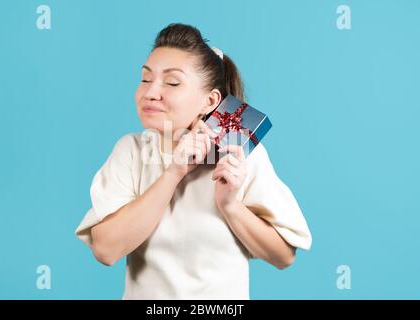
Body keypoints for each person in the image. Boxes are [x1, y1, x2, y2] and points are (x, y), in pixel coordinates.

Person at [75, 23, 312, 299]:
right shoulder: (132, 151)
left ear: (209, 101)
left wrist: (230, 205)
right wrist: (174, 172)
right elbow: (106, 250)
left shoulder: (238, 154)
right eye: (145, 79)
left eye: (172, 82)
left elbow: (283, 257)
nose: (151, 92)